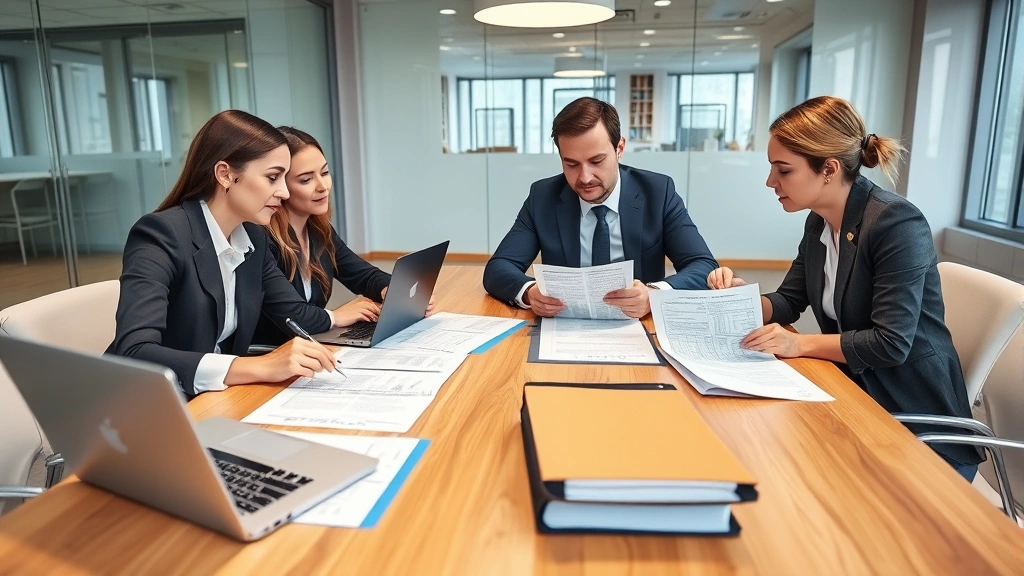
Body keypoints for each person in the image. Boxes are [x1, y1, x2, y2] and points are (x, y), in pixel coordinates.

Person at [706, 96, 983, 480]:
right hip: (856, 400)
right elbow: (789, 300)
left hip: (915, 425)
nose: (771, 181)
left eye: (783, 170)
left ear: (828, 170)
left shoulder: (896, 224)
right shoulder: (820, 221)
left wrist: (797, 344)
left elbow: (890, 343)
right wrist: (738, 301)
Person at [108, 110, 369, 397]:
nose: (284, 193)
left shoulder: (253, 238)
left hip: (216, 396)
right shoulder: (161, 234)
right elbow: (135, 352)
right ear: (226, 175)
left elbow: (290, 311)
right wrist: (260, 366)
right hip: (146, 403)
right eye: (273, 178)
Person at [483, 97, 718, 318]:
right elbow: (498, 268)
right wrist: (529, 291)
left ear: (619, 149)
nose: (585, 177)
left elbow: (703, 266)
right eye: (571, 164)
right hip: (565, 326)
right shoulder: (543, 197)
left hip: (638, 325)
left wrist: (654, 294)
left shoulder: (657, 193)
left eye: (596, 161)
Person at [252, 126, 401, 345]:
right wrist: (336, 316)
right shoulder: (262, 238)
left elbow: (364, 276)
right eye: (306, 180)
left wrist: (392, 291)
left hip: (312, 346)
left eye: (324, 173)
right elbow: (293, 317)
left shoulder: (319, 230)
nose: (323, 186)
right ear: (280, 185)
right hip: (275, 353)